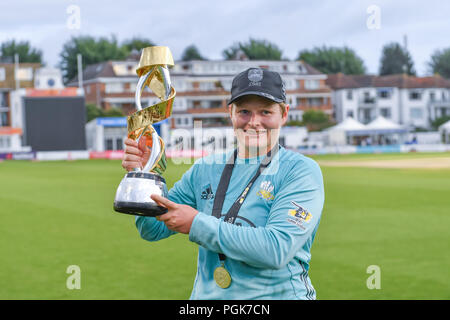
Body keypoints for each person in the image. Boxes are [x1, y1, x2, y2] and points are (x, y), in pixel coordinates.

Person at [121, 68, 325, 300]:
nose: (254, 122)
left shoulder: (300, 171)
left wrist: (196, 224)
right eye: (244, 111)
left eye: (266, 112)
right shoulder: (205, 169)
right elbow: (152, 229)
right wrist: (147, 174)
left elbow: (276, 250)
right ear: (231, 112)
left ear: (284, 114)